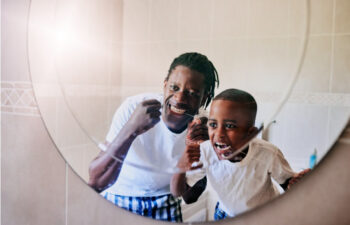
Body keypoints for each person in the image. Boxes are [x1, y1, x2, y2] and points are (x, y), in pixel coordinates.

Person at [88, 52, 219, 222]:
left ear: (204, 99)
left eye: (192, 93)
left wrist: (203, 152)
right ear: (164, 86)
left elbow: (189, 197)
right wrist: (132, 128)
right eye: (174, 88)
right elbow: (95, 181)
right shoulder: (133, 108)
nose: (179, 99)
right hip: (118, 197)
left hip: (165, 203)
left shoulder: (205, 128)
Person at [171, 88, 310, 220]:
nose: (219, 134)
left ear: (250, 134)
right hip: (224, 214)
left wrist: (297, 184)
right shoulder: (206, 152)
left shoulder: (268, 153)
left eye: (230, 126)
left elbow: (287, 183)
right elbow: (186, 196)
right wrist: (181, 166)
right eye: (213, 125)